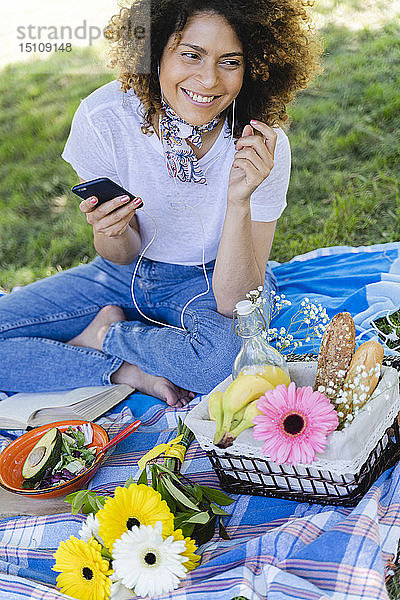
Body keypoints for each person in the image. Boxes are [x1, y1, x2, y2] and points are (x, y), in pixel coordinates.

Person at [0, 0, 321, 406]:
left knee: (225, 365)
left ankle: (106, 336)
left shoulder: (263, 147)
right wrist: (110, 230)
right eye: (191, 55)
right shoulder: (104, 119)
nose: (208, 81)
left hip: (212, 277)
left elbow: (236, 301)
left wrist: (240, 200)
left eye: (230, 62)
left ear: (252, 65)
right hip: (126, 274)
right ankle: (125, 368)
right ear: (154, 54)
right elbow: (120, 255)